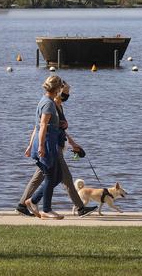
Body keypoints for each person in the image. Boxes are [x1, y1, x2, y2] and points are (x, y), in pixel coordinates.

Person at [16, 81, 97, 218]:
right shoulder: (50, 105)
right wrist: (33, 146)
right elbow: (39, 127)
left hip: (55, 145)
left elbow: (57, 129)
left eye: (68, 92)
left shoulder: (58, 106)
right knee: (65, 178)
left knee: (41, 178)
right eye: (66, 92)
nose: (67, 94)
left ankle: (23, 204)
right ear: (59, 91)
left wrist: (72, 143)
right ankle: (79, 208)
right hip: (52, 147)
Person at [21, 75, 64, 219]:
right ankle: (46, 210)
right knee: (51, 177)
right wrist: (40, 146)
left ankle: (32, 201)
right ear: (57, 89)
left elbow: (41, 125)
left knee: (58, 177)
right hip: (46, 144)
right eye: (60, 87)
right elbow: (43, 125)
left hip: (48, 142)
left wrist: (59, 125)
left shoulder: (48, 101)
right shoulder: (48, 104)